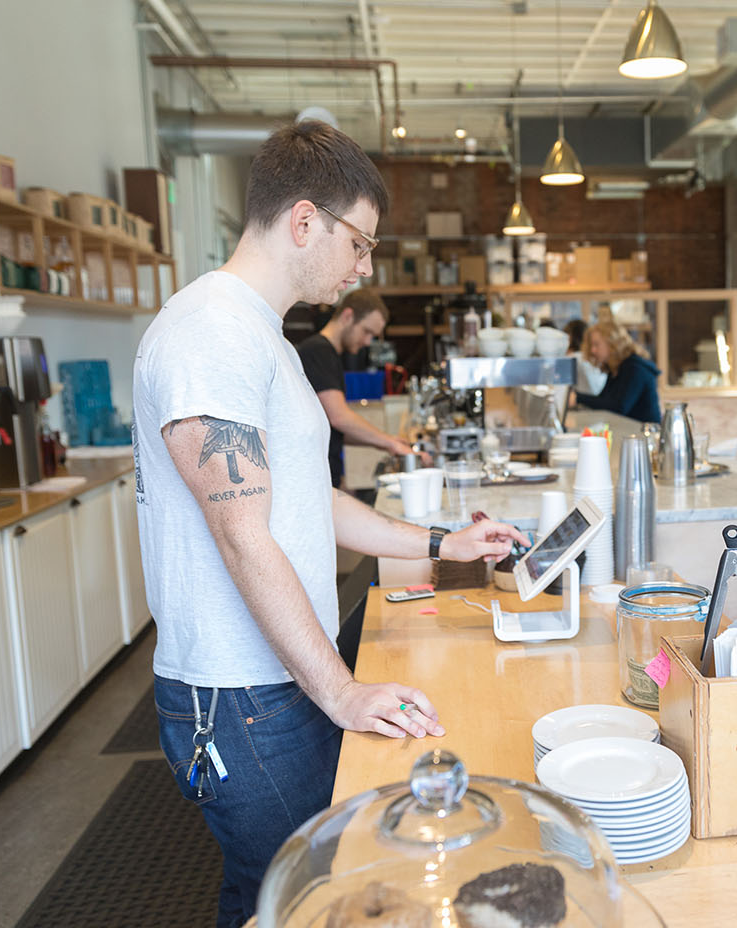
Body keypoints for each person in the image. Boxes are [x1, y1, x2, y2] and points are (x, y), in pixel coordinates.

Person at [130, 120, 528, 928]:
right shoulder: (210, 333)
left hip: (278, 676)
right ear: (304, 220)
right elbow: (243, 536)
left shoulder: (265, 339)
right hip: (240, 697)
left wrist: (438, 543)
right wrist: (341, 690)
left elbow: (307, 502)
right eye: (361, 243)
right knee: (304, 898)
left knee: (276, 897)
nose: (364, 266)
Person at [296, 287, 426, 487]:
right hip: (312, 481)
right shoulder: (317, 351)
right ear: (348, 316)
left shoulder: (330, 355)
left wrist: (389, 442)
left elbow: (334, 431)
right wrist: (388, 442)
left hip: (327, 478)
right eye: (366, 331)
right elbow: (339, 417)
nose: (367, 342)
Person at [574, 319, 662, 423]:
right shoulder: (616, 370)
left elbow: (619, 407)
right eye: (592, 346)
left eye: (596, 344)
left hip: (645, 435)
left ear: (612, 343)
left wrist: (578, 398)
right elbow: (603, 400)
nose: (593, 350)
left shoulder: (635, 369)